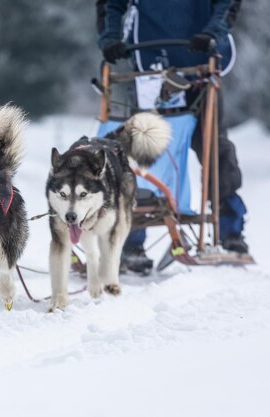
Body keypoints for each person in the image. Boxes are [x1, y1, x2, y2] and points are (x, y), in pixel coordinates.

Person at [96, 0, 248, 274]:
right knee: (144, 151)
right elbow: (111, 5)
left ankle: (230, 231)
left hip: (202, 62)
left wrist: (214, 33)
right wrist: (109, 37)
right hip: (150, 66)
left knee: (215, 150)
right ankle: (131, 242)